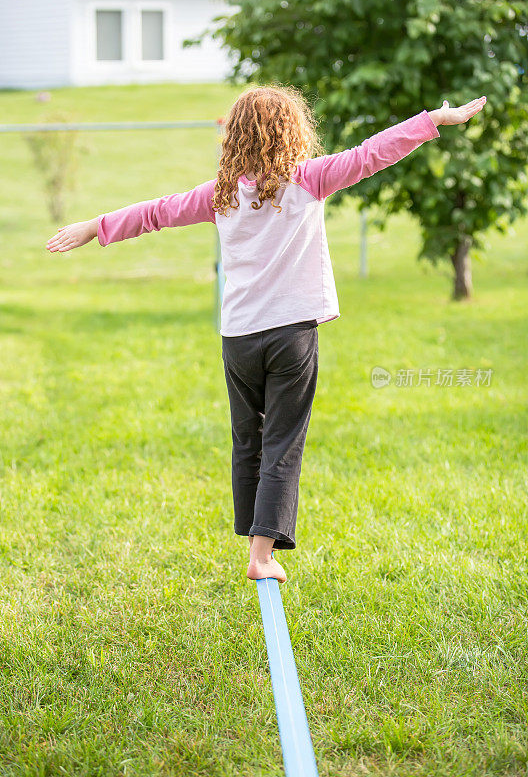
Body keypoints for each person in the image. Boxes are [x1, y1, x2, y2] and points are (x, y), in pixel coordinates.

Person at [45, 85, 487, 584]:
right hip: (291, 337)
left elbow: (155, 212)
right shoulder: (310, 179)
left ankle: (253, 537)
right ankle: (261, 554)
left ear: (234, 138)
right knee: (281, 441)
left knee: (247, 438)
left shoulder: (219, 195)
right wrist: (433, 119)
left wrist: (92, 227)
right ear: (292, 131)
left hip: (239, 337)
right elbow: (371, 155)